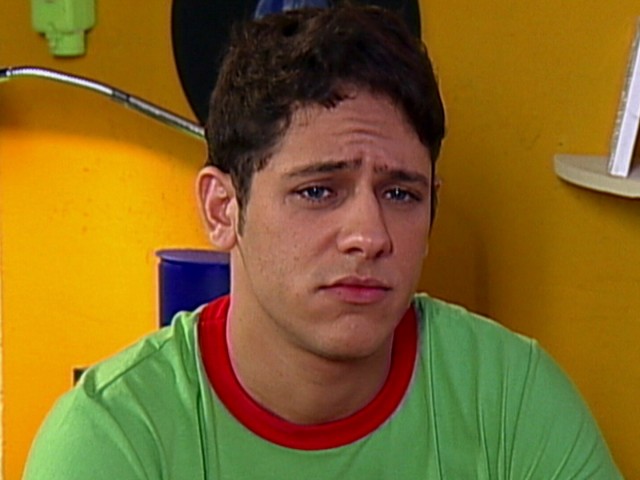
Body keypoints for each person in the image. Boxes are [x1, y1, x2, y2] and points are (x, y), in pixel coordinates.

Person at [24, 5, 622, 479]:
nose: (370, 236)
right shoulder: (113, 438)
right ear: (222, 208)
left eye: (401, 194)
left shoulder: (511, 397)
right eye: (317, 191)